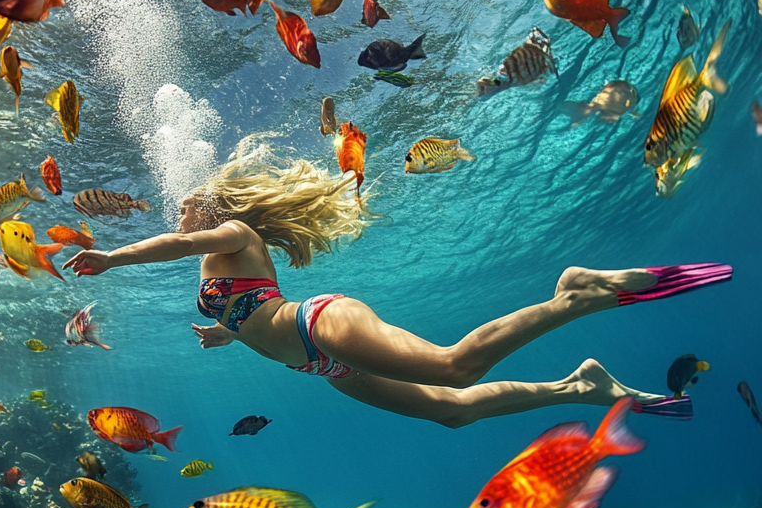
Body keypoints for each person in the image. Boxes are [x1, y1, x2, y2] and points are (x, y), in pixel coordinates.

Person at [62, 142, 732, 428]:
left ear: (208, 206)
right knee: (452, 410)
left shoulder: (231, 233)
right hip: (323, 365)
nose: (176, 211)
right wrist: (223, 332)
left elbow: (179, 243)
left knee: (455, 366)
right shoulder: (224, 269)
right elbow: (249, 315)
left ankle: (577, 293)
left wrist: (113, 258)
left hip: (318, 324)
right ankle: (580, 387)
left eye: (183, 203)